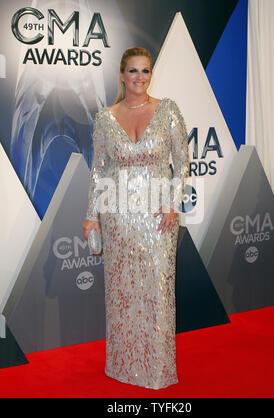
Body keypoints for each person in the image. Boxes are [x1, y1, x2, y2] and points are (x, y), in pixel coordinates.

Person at [82, 47, 189, 390]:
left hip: (160, 217)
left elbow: (183, 162)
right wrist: (91, 216)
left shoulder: (168, 110)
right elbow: (98, 170)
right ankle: (122, 366)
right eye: (133, 71)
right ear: (122, 75)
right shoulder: (104, 117)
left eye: (145, 71)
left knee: (157, 292)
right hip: (118, 219)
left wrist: (173, 203)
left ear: (150, 74)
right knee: (121, 294)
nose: (139, 78)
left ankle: (157, 370)